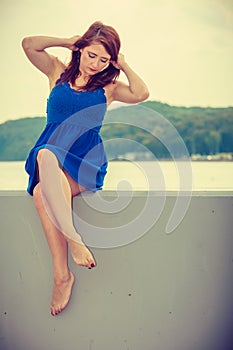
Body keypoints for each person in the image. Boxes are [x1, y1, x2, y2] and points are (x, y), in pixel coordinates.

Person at [22, 21, 149, 316]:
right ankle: (63, 273)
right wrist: (67, 41)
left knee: (44, 160)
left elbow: (141, 93)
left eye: (104, 60)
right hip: (53, 155)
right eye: (92, 55)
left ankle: (69, 254)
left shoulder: (109, 87)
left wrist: (124, 65)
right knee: (43, 186)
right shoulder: (56, 72)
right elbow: (29, 43)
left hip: (84, 160)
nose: (96, 64)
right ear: (81, 49)